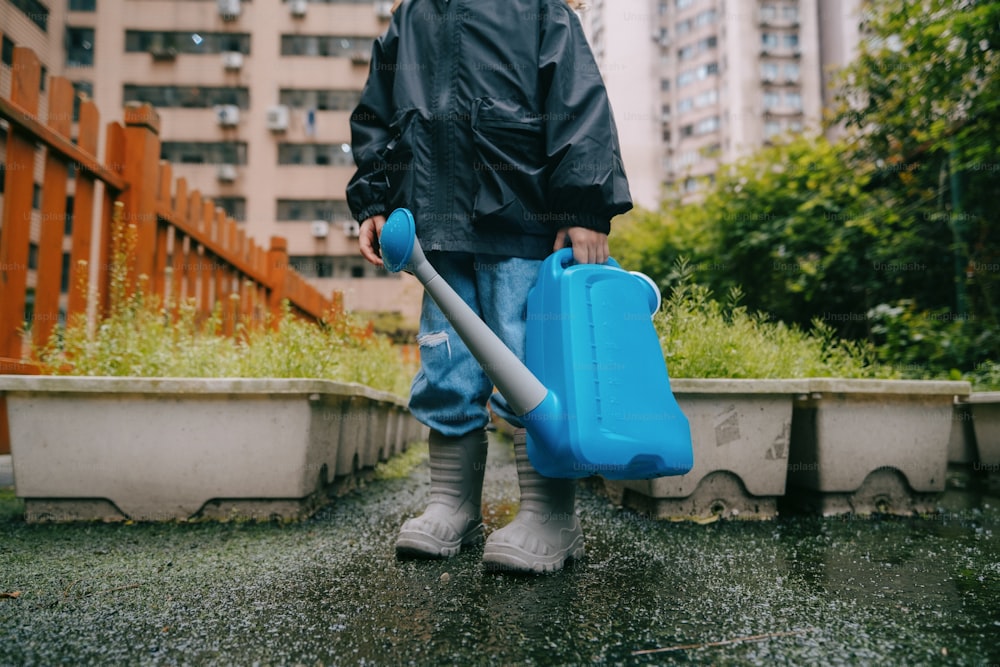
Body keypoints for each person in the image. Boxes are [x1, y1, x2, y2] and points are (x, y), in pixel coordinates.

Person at [347, 0, 632, 574]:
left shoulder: (539, 9)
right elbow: (376, 114)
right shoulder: (411, 17)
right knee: (445, 365)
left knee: (530, 364)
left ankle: (551, 514)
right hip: (436, 229)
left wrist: (583, 205)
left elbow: (578, 102)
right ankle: (452, 503)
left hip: (521, 220)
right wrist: (374, 200)